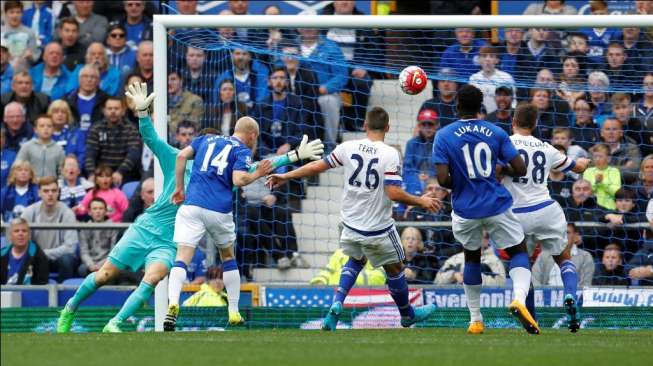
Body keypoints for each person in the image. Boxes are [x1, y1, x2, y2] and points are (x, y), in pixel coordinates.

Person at [58, 83, 311, 332]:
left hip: (172, 241)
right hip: (146, 227)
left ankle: (115, 323)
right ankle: (69, 309)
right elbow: (151, 139)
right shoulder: (175, 158)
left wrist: (292, 156)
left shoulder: (224, 178)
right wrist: (143, 113)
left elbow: (259, 167)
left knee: (153, 278)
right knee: (104, 276)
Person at [267, 106, 440, 331]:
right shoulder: (390, 153)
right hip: (378, 228)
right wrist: (422, 201)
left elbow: (317, 166)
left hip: (350, 225)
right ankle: (407, 314)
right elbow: (393, 193)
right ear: (388, 128)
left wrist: (286, 175)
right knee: (395, 269)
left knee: (356, 260)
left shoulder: (348, 147)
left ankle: (337, 304)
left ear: (365, 126)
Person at [166, 117, 325, 329]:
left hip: (191, 205)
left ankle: (173, 303)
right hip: (218, 210)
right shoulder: (241, 150)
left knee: (181, 257)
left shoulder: (205, 140)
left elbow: (181, 156)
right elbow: (240, 179)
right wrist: (260, 173)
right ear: (252, 136)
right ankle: (233, 311)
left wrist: (179, 188)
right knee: (228, 257)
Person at [432, 84, 538, 335]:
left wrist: (461, 179)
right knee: (518, 251)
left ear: (457, 106)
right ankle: (519, 300)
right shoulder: (496, 132)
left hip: (465, 209)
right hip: (495, 204)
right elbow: (521, 168)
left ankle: (476, 320)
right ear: (481, 107)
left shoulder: (444, 135)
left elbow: (442, 180)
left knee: (471, 257)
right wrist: (500, 170)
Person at [500, 102, 590, 332]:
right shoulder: (546, 148)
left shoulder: (504, 144)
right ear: (535, 124)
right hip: (545, 209)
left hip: (515, 213)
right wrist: (584, 162)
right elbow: (576, 168)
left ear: (513, 122)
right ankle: (569, 295)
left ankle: (532, 317)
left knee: (522, 264)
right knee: (563, 258)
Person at [21, 176, 79, 283]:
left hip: (58, 259)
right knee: (26, 257)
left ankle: (64, 294)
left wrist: (43, 253)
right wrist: (39, 255)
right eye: (46, 191)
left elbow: (70, 248)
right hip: (37, 258)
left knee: (67, 259)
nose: (50, 194)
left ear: (58, 192)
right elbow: (23, 245)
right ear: (39, 193)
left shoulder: (67, 213)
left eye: (54, 190)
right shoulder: (29, 212)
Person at [296, 27, 347, 147]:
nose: (308, 28)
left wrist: (325, 88)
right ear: (298, 28)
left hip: (323, 94)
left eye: (312, 25)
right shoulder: (290, 44)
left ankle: (329, 146)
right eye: (304, 25)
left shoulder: (331, 47)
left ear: (319, 26)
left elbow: (341, 74)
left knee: (328, 101)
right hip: (295, 93)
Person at [84, 97, 142, 185]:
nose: (113, 111)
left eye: (116, 108)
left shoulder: (131, 129)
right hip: (101, 173)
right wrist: (91, 173)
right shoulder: (96, 128)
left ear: (123, 110)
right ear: (104, 110)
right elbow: (90, 154)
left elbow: (133, 154)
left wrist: (120, 172)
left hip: (125, 175)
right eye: (110, 108)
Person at [251, 66, 306, 157]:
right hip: (266, 153)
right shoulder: (261, 105)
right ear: (269, 82)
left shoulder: (297, 103)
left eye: (282, 78)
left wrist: (289, 144)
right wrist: (266, 152)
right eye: (275, 78)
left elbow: (301, 131)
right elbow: (257, 134)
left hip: (290, 152)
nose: (278, 81)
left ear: (287, 82)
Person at [531, 223, 595, 290]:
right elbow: (534, 279)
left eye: (567, 232)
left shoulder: (585, 257)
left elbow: (585, 285)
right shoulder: (544, 255)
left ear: (576, 236)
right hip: (547, 296)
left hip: (572, 297)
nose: (563, 236)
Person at [434, 231, 506, 286]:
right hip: (456, 299)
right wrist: (453, 275)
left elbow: (501, 283)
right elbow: (437, 281)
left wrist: (476, 278)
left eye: (480, 237)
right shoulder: (455, 258)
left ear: (487, 241)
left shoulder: (494, 261)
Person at [0, 217, 49, 285]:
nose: (21, 234)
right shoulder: (2, 254)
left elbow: (42, 283)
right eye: (16, 231)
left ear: (29, 235)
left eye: (24, 231)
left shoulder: (39, 256)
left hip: (30, 294)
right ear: (10, 236)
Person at [78, 197, 119, 276]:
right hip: (90, 263)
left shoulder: (113, 227)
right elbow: (84, 251)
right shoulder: (84, 228)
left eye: (101, 208)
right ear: (89, 212)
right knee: (82, 269)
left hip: (106, 262)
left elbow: (113, 252)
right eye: (95, 209)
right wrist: (91, 265)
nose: (98, 211)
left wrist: (101, 265)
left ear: (106, 211)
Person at [468, 46, 515, 115]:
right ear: (479, 60)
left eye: (491, 56)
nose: (487, 59)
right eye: (484, 56)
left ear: (497, 60)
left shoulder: (506, 78)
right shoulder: (473, 79)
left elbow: (513, 103)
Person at [16, 115, 65, 179]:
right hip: (31, 185)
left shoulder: (58, 149)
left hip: (50, 186)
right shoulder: (27, 146)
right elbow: (17, 167)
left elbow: (62, 171)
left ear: (53, 129)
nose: (46, 128)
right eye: (42, 126)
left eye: (49, 126)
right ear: (35, 129)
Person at [403, 109, 439, 196]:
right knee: (412, 182)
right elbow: (407, 169)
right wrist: (417, 176)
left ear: (437, 125)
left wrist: (430, 175)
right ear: (419, 126)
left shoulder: (441, 144)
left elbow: (444, 168)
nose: (427, 128)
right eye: (424, 124)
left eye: (430, 124)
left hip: (435, 180)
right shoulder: (411, 143)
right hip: (415, 180)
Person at [64, 64, 110, 132]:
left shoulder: (106, 101)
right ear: (79, 79)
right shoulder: (66, 100)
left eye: (93, 77)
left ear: (98, 81)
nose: (89, 80)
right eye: (85, 76)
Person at [309, 249, 386, 286]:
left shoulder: (376, 254)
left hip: (365, 297)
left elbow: (379, 278)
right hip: (337, 294)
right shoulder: (340, 253)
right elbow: (328, 271)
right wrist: (319, 282)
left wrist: (346, 276)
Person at [599, 118, 642, 184]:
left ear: (621, 133)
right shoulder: (594, 150)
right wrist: (625, 167)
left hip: (624, 189)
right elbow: (590, 173)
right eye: (607, 129)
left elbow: (633, 173)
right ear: (602, 133)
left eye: (614, 129)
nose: (611, 132)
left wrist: (603, 168)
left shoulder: (632, 149)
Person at [1, 1, 40, 69]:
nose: (15, 15)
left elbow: (34, 59)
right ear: (5, 14)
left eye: (18, 12)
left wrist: (30, 56)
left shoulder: (30, 32)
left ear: (22, 14)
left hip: (23, 74)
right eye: (11, 12)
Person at [584, 143, 621, 210]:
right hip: (591, 208)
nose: (597, 159)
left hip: (610, 208)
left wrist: (602, 183)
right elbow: (585, 191)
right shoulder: (588, 171)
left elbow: (617, 192)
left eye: (600, 156)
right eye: (595, 156)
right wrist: (596, 182)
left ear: (608, 158)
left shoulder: (614, 171)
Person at [167, 70, 204, 140]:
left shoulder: (195, 101)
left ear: (181, 81)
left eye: (173, 79)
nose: (169, 83)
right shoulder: (157, 102)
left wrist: (165, 121)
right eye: (167, 79)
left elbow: (191, 128)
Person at [47, 99, 86, 164]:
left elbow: (82, 155)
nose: (60, 115)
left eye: (63, 112)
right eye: (56, 112)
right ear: (50, 115)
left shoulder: (76, 133)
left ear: (68, 116)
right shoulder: (41, 133)